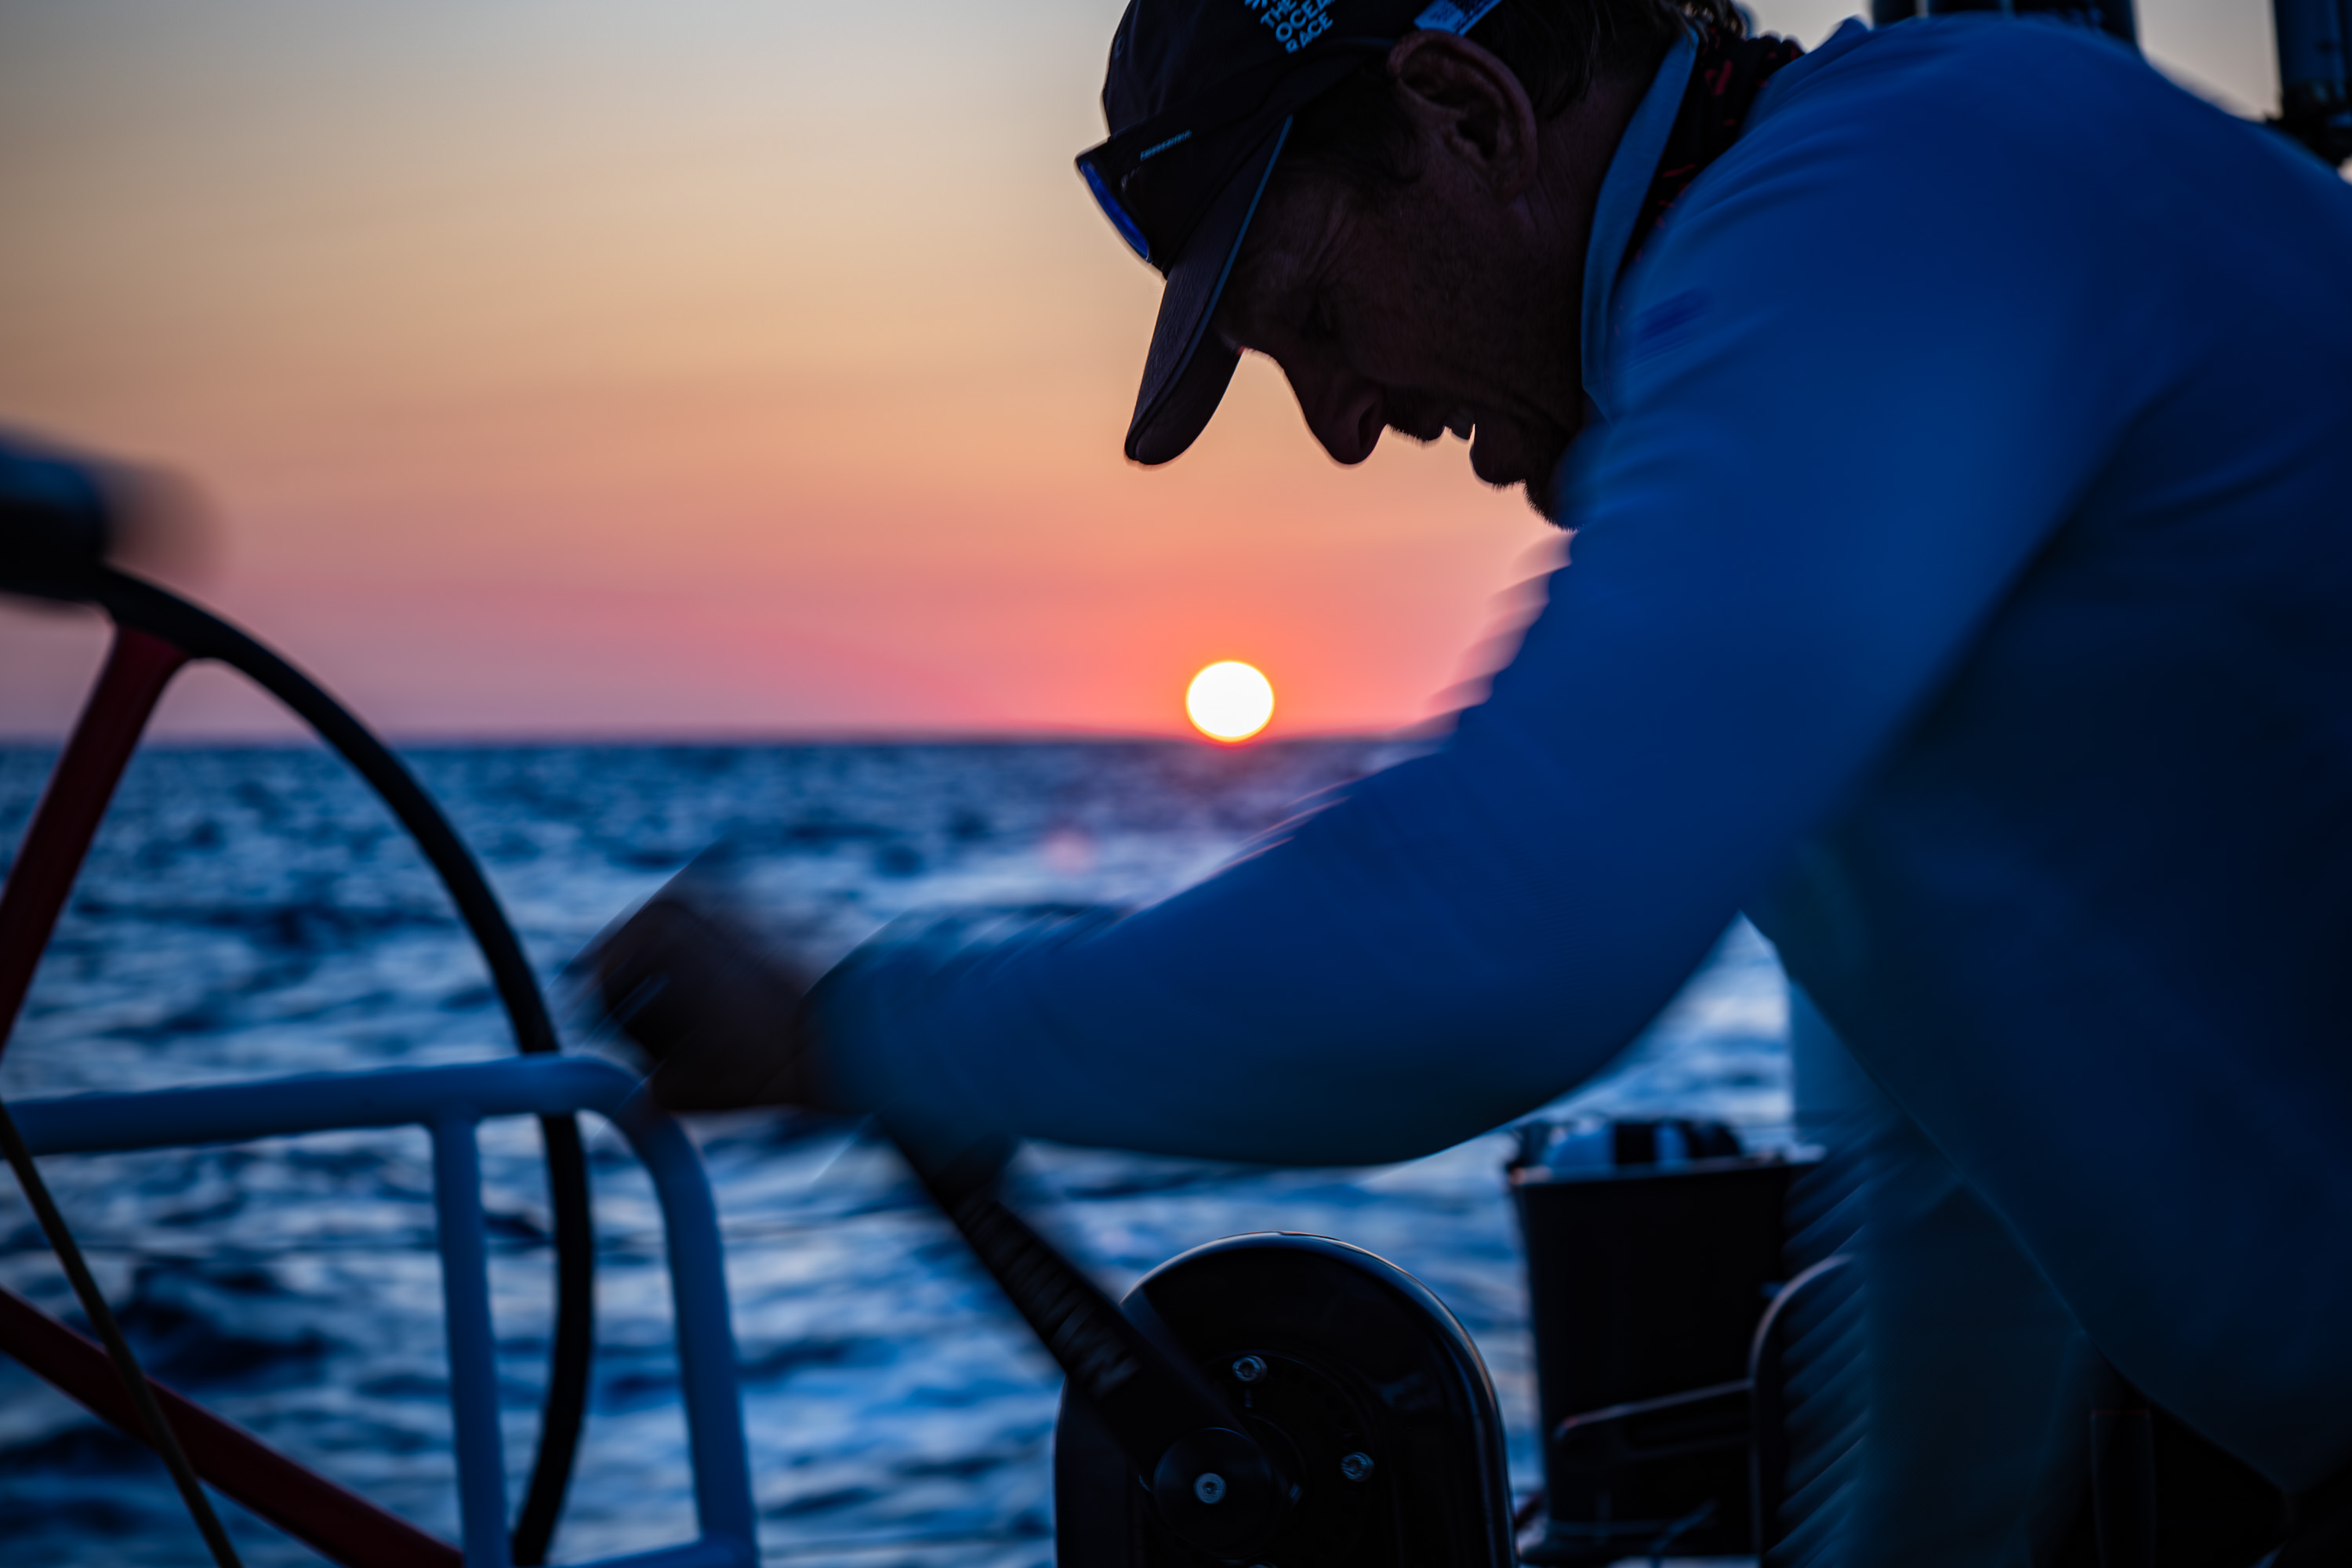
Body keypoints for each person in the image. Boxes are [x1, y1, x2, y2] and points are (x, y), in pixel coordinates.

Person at [590, 2, 2352, 1561]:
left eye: (1317, 316)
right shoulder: (1853, 306)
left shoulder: (1902, 193)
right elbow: (1953, 1185)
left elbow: (1487, 942)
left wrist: (854, 1024)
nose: (1345, 423)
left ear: (1466, 109)